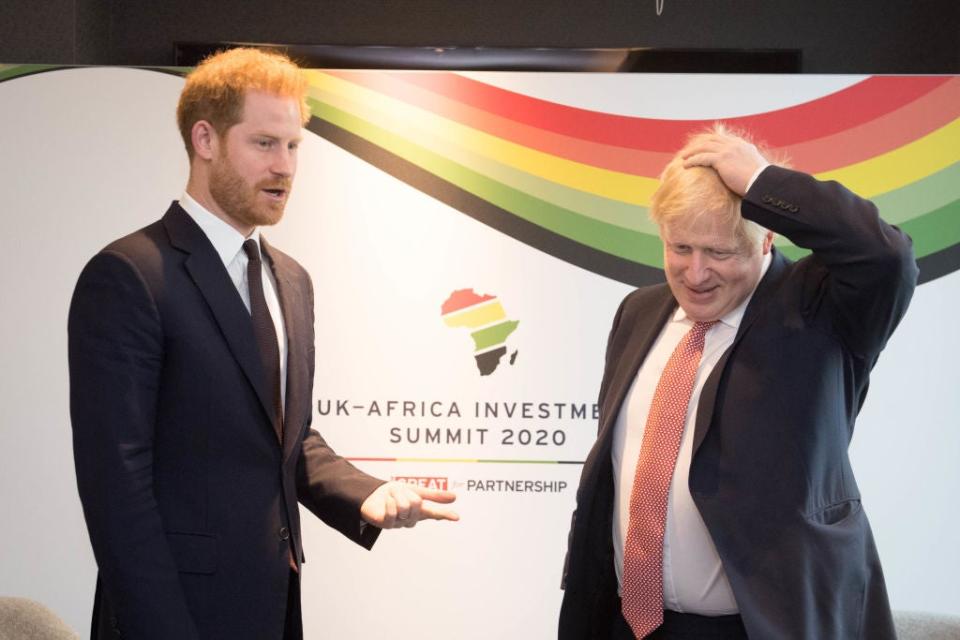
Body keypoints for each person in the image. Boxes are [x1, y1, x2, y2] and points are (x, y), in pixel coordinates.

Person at [68, 47, 458, 640]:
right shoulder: (129, 274)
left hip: (273, 609)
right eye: (264, 144)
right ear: (205, 139)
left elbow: (284, 439)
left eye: (294, 145)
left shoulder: (291, 279)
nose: (285, 166)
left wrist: (367, 494)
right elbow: (116, 488)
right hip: (170, 617)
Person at [559, 125, 917, 639]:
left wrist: (762, 180)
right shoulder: (638, 312)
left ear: (766, 236)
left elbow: (888, 258)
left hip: (763, 626)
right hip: (632, 624)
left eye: (719, 253)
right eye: (679, 247)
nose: (696, 273)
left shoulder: (820, 308)